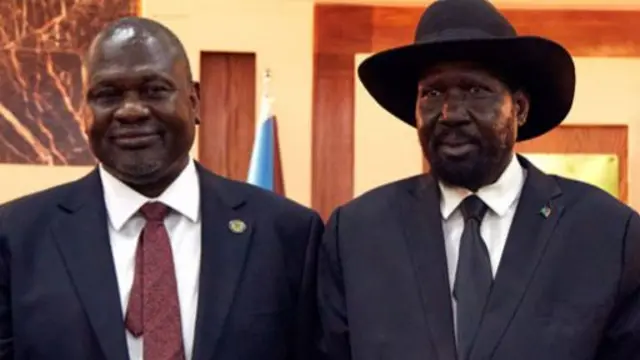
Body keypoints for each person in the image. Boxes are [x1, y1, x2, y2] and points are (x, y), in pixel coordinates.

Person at [317, 0, 640, 359]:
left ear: (518, 108)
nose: (451, 113)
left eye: (475, 91)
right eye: (432, 93)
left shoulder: (606, 233)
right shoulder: (357, 234)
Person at [0, 17, 323, 360]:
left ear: (194, 101)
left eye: (155, 90)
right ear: (84, 112)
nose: (131, 111)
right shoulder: (15, 237)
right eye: (107, 95)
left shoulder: (288, 234)